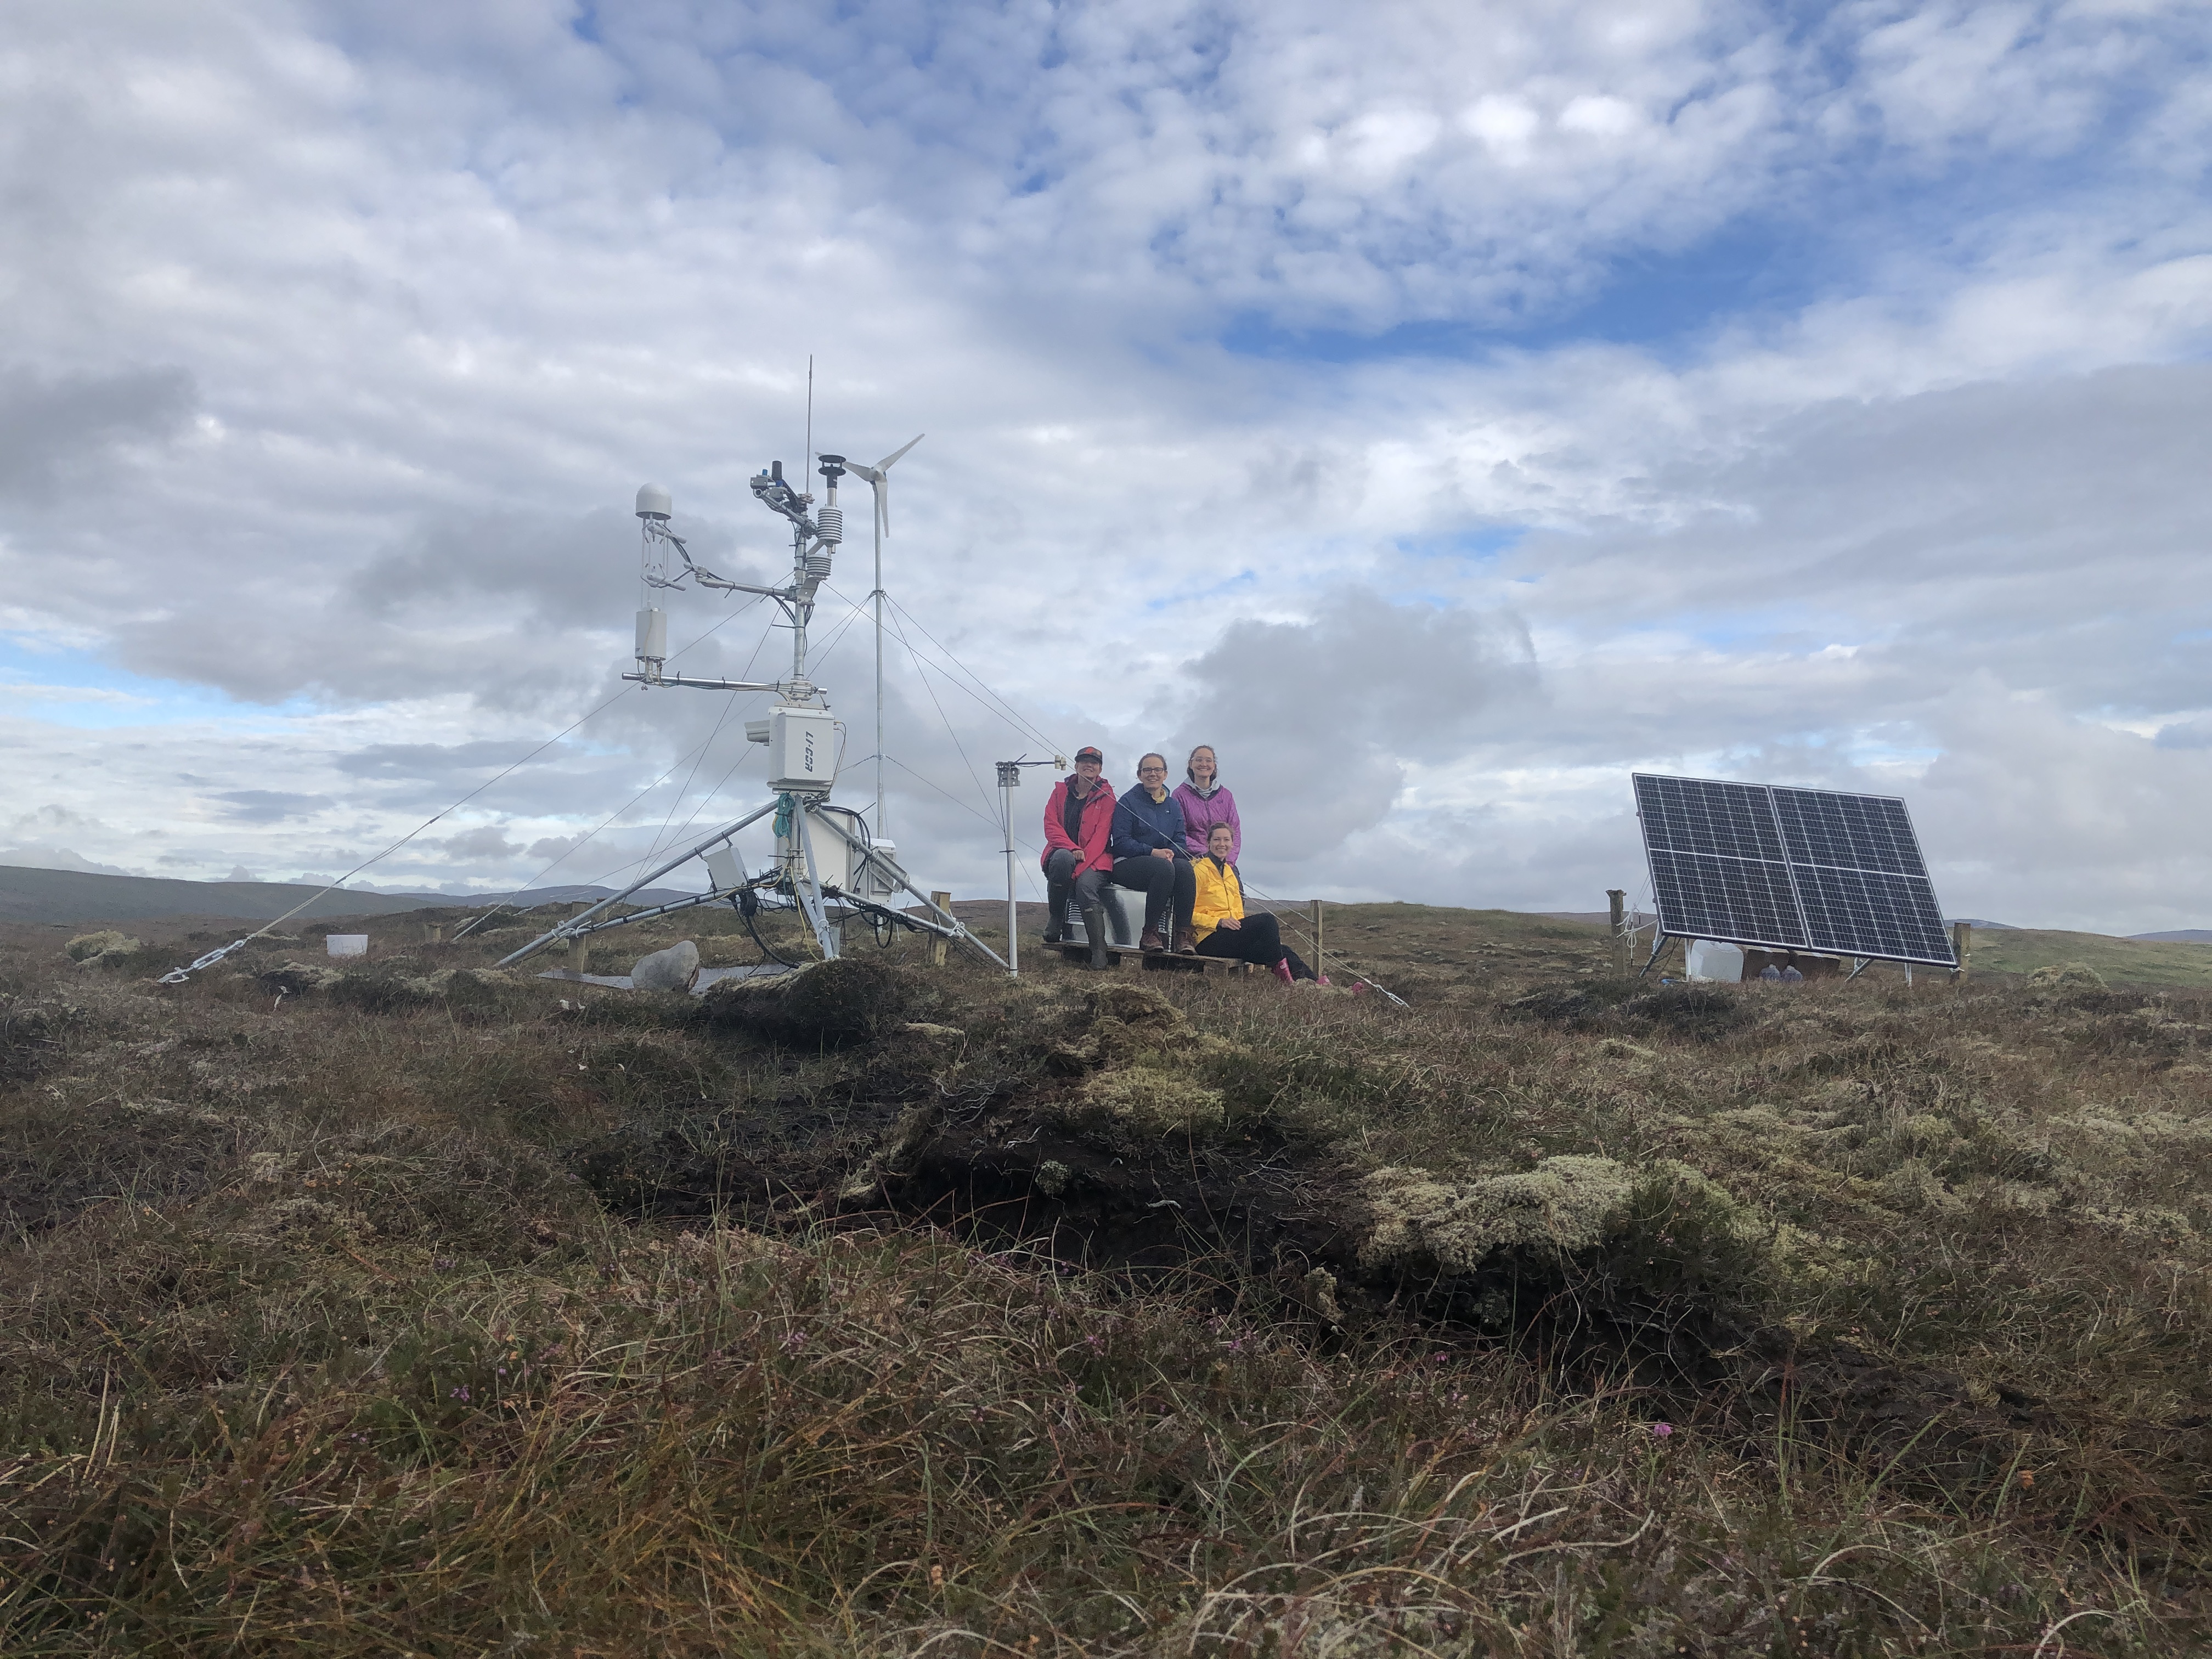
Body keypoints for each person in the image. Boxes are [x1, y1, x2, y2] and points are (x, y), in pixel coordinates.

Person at [1190, 821, 1318, 981]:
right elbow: (1186, 913)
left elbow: (1237, 912)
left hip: (1232, 936)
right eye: (1217, 840)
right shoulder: (1198, 870)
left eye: (1226, 840)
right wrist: (1219, 922)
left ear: (1232, 843)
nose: (1221, 844)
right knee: (1267, 920)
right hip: (1208, 939)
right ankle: (1284, 977)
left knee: (1284, 950)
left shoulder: (1230, 872)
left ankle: (1317, 985)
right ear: (1208, 842)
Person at [1109, 752, 1198, 952]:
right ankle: (1150, 933)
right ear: (1140, 775)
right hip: (1127, 863)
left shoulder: (1173, 805)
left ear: (1165, 774)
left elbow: (1181, 840)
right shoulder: (1127, 802)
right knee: (1163, 868)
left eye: (1158, 770)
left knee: (1184, 869)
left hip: (1164, 862)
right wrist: (1152, 852)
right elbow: (1121, 842)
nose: (1153, 774)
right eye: (1147, 770)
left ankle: (1183, 936)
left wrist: (1170, 853)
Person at [1040, 746, 1116, 968]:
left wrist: (1079, 869)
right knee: (1062, 858)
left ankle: (1099, 952)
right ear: (1076, 766)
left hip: (1097, 859)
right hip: (1063, 853)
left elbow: (1102, 838)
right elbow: (1050, 824)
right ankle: (1056, 919)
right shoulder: (1059, 792)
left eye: (1093, 762)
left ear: (1100, 768)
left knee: (1085, 886)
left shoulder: (1108, 798)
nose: (1088, 765)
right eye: (1084, 761)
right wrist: (1071, 848)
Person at [1173, 744, 1240, 860]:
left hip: (1224, 860)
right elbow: (1179, 833)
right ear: (1191, 764)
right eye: (1199, 760)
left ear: (1214, 766)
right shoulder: (1179, 795)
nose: (1204, 764)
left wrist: (1228, 861)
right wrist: (1208, 854)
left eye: (1208, 760)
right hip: (1193, 859)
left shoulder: (1226, 796)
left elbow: (1235, 833)